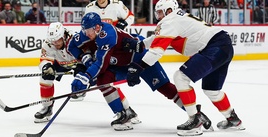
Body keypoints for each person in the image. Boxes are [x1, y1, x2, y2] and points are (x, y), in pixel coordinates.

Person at [68, 12, 212, 131]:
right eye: (84, 30)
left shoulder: (108, 35)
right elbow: (71, 46)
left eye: (88, 30)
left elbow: (101, 63)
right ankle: (124, 114)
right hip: (123, 65)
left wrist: (86, 76)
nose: (85, 34)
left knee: (164, 87)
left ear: (98, 27)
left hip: (141, 59)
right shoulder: (86, 33)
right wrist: (83, 57)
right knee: (102, 80)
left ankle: (196, 114)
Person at [123, 0, 245, 136]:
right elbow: (159, 37)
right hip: (223, 45)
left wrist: (139, 67)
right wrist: (141, 44)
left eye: (159, 12)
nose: (157, 16)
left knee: (180, 77)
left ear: (168, 11)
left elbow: (157, 51)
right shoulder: (177, 18)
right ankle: (233, 119)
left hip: (213, 47)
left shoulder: (169, 21)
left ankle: (195, 120)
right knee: (212, 90)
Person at [34, 22, 89, 123]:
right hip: (60, 63)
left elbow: (88, 54)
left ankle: (82, 90)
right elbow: (44, 60)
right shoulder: (48, 43)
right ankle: (47, 107)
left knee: (83, 78)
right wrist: (47, 67)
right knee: (45, 78)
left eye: (57, 40)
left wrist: (84, 67)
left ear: (64, 36)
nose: (55, 43)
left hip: (78, 63)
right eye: (53, 41)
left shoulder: (75, 39)